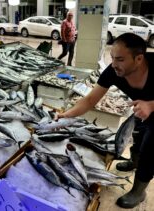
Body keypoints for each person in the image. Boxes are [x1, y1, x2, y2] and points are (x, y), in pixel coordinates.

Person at [56, 33, 154, 209]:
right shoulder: (113, 71)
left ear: (139, 59)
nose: (114, 64)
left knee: (150, 150)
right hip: (142, 109)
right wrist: (67, 115)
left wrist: (152, 105)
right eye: (112, 58)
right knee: (138, 136)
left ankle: (139, 191)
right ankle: (134, 162)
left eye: (120, 59)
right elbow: (90, 100)